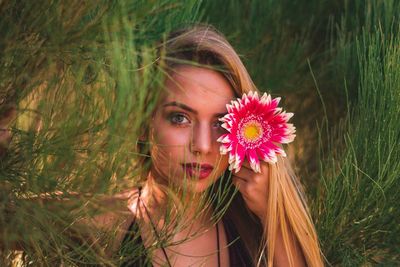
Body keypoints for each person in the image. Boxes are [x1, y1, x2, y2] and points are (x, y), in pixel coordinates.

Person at [1, 25, 323, 267]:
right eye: (180, 118)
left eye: (220, 123)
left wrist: (271, 212)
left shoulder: (251, 230)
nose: (203, 146)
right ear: (144, 123)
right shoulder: (106, 221)